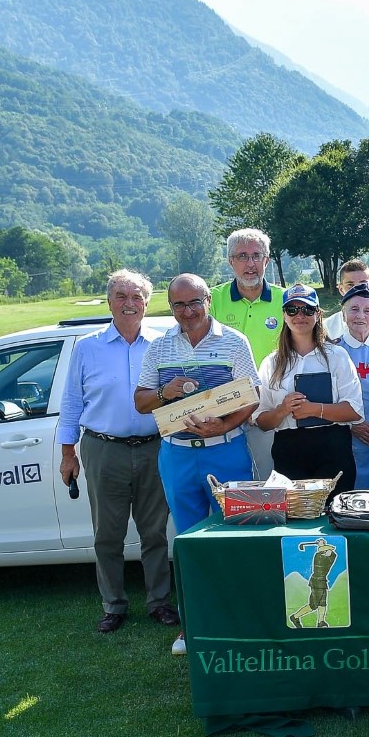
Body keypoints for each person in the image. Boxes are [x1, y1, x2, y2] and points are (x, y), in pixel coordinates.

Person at [135, 274, 259, 655]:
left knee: (238, 534)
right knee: (189, 543)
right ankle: (193, 626)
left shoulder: (234, 342)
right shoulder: (158, 348)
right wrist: (163, 392)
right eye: (178, 305)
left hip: (226, 450)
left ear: (209, 300)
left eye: (194, 303)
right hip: (177, 453)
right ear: (170, 307)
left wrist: (223, 424)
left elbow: (250, 396)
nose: (187, 312)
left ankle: (243, 621)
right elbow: (141, 402)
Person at [56, 269, 174, 634]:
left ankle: (159, 602)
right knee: (108, 534)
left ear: (147, 302)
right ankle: (114, 604)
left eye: (137, 296)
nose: (129, 303)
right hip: (103, 449)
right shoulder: (88, 347)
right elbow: (72, 403)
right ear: (109, 302)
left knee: (154, 532)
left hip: (155, 447)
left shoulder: (164, 342)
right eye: (121, 296)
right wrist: (67, 453)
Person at [253, 283, 363, 487]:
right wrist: (283, 410)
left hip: (332, 446)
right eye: (292, 310)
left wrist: (314, 410)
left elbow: (354, 410)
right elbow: (261, 421)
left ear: (318, 314)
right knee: (294, 517)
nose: (300, 316)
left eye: (307, 309)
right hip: (289, 448)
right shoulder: (272, 362)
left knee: (333, 515)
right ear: (284, 315)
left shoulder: (337, 356)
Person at [210, 229, 281, 479]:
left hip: (269, 409)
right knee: (226, 487)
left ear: (267, 260)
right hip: (222, 407)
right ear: (230, 261)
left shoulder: (285, 302)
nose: (250, 264)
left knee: (267, 483)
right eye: (242, 256)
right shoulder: (212, 300)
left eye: (256, 255)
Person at [335, 282, 369, 489]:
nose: (360, 316)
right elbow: (327, 399)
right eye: (354, 309)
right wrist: (352, 425)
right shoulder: (331, 350)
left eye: (368, 311)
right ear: (343, 314)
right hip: (348, 438)